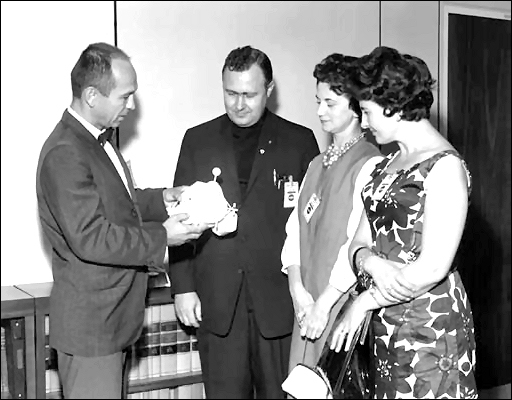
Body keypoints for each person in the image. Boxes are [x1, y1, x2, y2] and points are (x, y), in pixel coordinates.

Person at [35, 42, 211, 399]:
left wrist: (163, 198)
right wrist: (163, 236)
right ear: (91, 95)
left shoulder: (96, 140)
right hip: (92, 329)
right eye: (124, 96)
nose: (131, 107)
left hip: (110, 323)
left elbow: (119, 204)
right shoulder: (66, 152)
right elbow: (91, 237)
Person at [169, 45, 320, 398]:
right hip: (218, 302)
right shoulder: (198, 140)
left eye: (249, 94)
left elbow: (312, 225)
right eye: (231, 93)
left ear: (269, 90)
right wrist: (182, 287)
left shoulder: (299, 142)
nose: (239, 104)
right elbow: (179, 218)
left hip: (279, 303)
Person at [330, 46, 477, 399]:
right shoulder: (384, 166)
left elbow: (431, 268)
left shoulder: (444, 167)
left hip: (430, 328)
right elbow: (357, 244)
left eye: (366, 112)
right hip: (385, 324)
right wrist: (371, 262)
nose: (363, 124)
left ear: (392, 105)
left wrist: (364, 301)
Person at [281, 53, 382, 373]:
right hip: (307, 305)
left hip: (338, 305)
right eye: (317, 101)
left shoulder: (370, 164)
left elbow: (357, 242)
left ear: (356, 108)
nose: (319, 111)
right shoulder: (315, 164)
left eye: (330, 103)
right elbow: (295, 231)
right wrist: (298, 292)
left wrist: (323, 305)